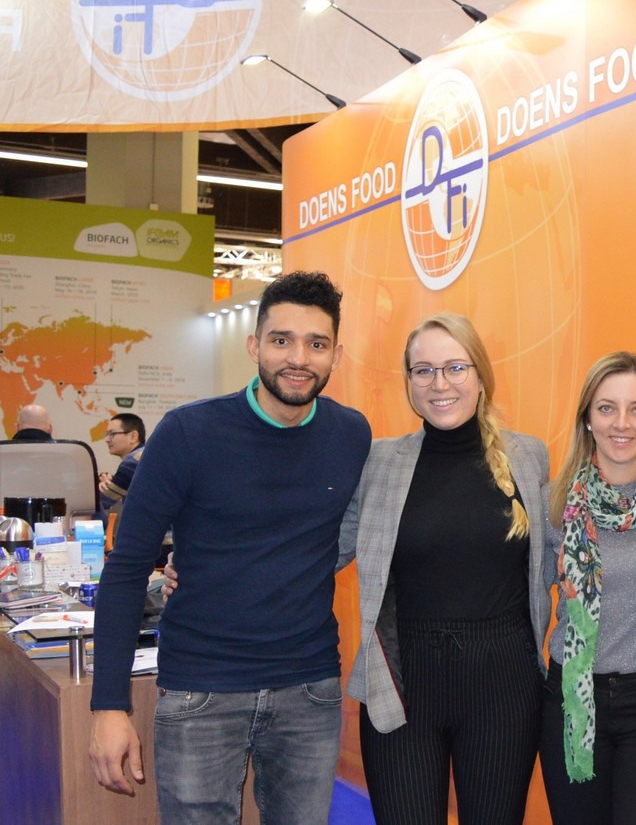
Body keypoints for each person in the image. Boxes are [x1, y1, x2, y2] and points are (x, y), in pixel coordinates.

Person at [88, 271, 372, 824]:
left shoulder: (350, 434)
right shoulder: (188, 433)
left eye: (317, 344)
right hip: (201, 690)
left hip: (309, 689)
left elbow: (335, 538)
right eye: (282, 339)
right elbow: (125, 570)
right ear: (254, 345)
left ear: (336, 355)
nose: (299, 358)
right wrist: (109, 704)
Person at [338, 313, 550, 825]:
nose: (440, 384)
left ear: (480, 375)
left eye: (455, 367)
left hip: (504, 682)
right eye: (424, 370)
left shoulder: (528, 457)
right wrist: (207, 568)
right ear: (409, 381)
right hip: (401, 682)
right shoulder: (377, 463)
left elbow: (597, 500)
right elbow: (317, 548)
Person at [541, 351, 636, 825]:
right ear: (587, 418)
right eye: (607, 408)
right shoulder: (553, 504)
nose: (622, 423)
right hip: (572, 698)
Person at [98, 412, 146, 511]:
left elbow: (104, 501)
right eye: (107, 434)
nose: (107, 439)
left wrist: (101, 486)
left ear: (133, 436)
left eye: (112, 434)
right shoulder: (143, 455)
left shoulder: (133, 461)